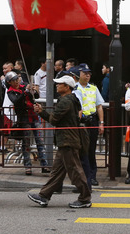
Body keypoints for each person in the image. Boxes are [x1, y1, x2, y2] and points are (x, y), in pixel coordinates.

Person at [27, 75, 92, 209]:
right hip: (66, 141)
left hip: (68, 141)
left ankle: (85, 198)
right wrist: (42, 112)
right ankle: (44, 196)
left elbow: (54, 120)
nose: (57, 86)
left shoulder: (65, 101)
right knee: (57, 172)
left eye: (59, 84)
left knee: (75, 171)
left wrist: (41, 112)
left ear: (67, 87)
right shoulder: (70, 99)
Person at [5, 71, 47, 175]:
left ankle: (44, 164)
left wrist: (33, 90)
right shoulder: (11, 92)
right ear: (10, 82)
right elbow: (16, 101)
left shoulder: (24, 86)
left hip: (34, 116)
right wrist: (25, 92)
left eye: (17, 79)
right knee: (26, 143)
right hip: (24, 119)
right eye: (14, 80)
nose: (17, 81)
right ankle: (28, 166)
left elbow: (35, 96)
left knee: (40, 141)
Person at [75, 63, 105, 186]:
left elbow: (99, 106)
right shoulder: (74, 88)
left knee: (91, 149)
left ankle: (92, 176)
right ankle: (82, 177)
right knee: (81, 150)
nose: (87, 75)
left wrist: (101, 123)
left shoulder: (93, 88)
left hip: (91, 121)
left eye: (89, 74)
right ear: (79, 74)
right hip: (80, 122)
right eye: (85, 73)